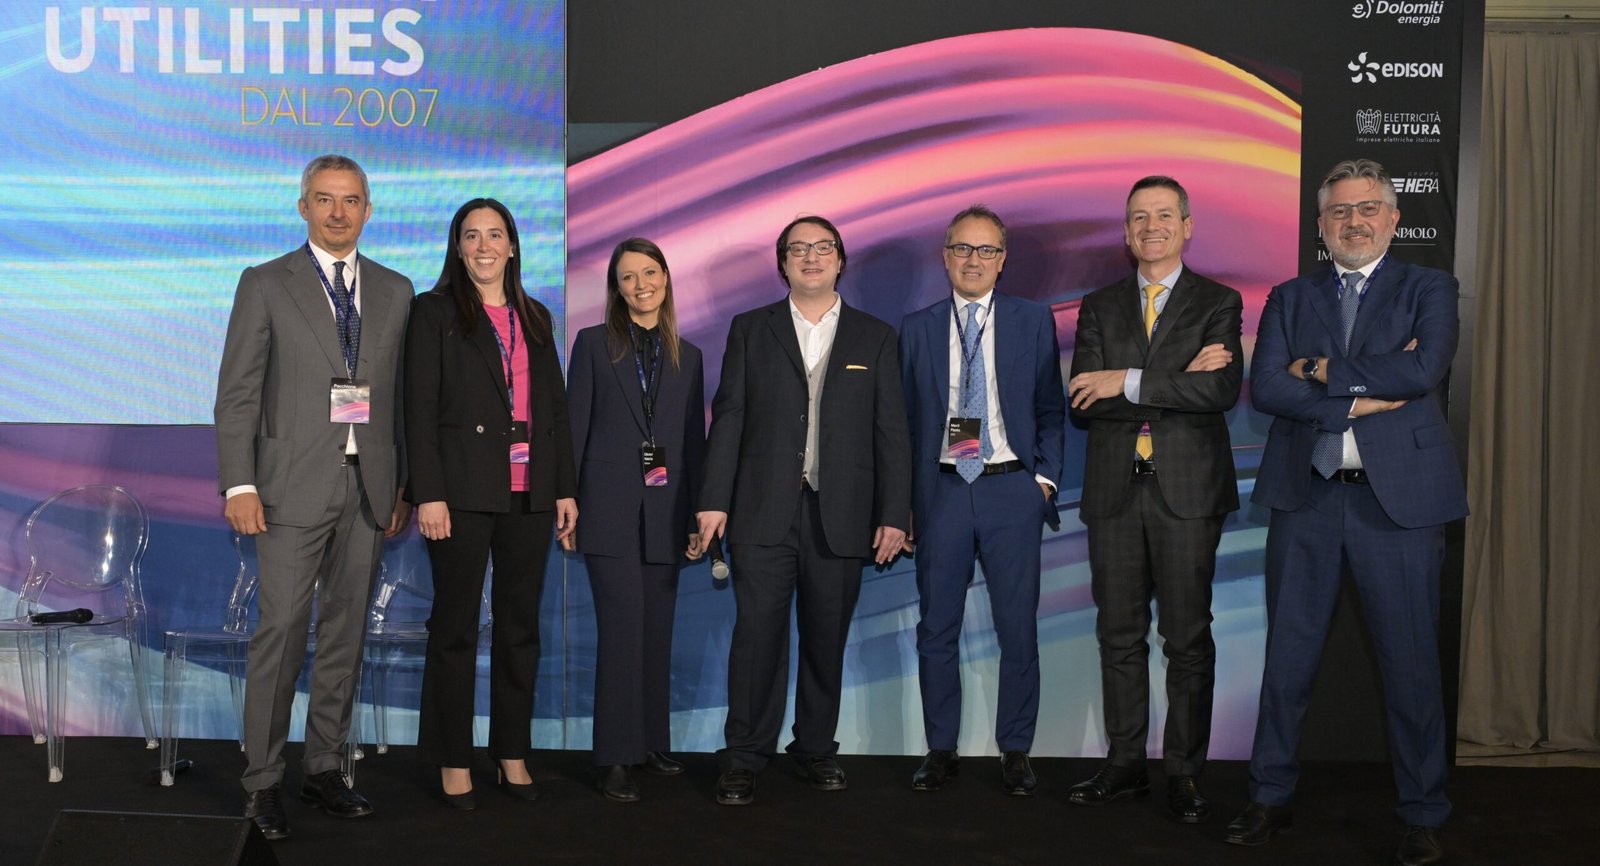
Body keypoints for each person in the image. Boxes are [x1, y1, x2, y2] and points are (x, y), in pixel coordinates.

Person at [1226, 159, 1465, 866]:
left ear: (1393, 218)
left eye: (1367, 209)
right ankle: (1270, 796)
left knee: (1411, 666)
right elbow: (1268, 387)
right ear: (1321, 224)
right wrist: (1361, 398)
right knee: (1287, 662)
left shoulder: (1431, 287)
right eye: (1339, 211)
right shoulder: (1291, 296)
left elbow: (1423, 371)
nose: (1353, 222)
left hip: (1400, 506)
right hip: (1309, 497)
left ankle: (1422, 812)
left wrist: (1322, 369)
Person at [215, 154, 413, 839]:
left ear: (368, 210)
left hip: (369, 491)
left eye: (351, 200)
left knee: (346, 635)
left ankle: (325, 767)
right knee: (280, 635)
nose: (338, 212)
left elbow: (400, 398)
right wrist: (240, 482)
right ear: (303, 207)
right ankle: (262, 782)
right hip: (288, 489)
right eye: (325, 199)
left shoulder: (397, 290)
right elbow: (238, 392)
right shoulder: (266, 282)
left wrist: (402, 486)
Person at [696, 215, 912, 806]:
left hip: (841, 515)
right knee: (756, 640)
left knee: (825, 638)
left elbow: (892, 431)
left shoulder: (875, 336)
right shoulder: (751, 328)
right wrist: (713, 500)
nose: (811, 257)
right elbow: (730, 416)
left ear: (840, 259)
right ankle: (744, 755)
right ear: (783, 263)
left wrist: (895, 513)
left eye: (822, 248)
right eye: (798, 249)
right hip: (761, 509)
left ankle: (816, 748)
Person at [1065, 176, 1243, 823]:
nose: (1151, 226)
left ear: (1187, 226)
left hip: (1188, 494)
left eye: (1164, 215)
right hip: (1115, 493)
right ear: (1126, 231)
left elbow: (1219, 391)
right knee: (1118, 634)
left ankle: (1185, 773)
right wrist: (1172, 381)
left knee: (1187, 638)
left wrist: (1127, 379)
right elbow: (1084, 400)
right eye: (1139, 216)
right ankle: (1125, 765)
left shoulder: (1218, 301)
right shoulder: (1099, 306)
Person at [404, 198, 578, 810]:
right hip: (461, 494)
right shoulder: (433, 312)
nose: (484, 246)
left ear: (512, 246)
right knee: (454, 628)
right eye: (472, 236)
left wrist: (564, 487)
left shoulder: (536, 316)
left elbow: (554, 408)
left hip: (530, 494)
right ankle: (454, 759)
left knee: (519, 629)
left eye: (495, 234)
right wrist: (428, 492)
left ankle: (511, 753)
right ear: (457, 248)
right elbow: (418, 408)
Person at [898, 205, 1065, 795]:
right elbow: (901, 424)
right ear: (945, 256)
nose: (974, 260)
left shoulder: (1032, 320)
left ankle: (1016, 750)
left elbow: (1051, 407)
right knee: (936, 628)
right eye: (963, 249)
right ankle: (940, 749)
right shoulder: (916, 327)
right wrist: (905, 504)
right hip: (942, 491)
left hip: (1010, 490)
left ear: (1002, 260)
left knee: (1017, 628)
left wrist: (1043, 481)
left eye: (986, 249)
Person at [567, 238, 707, 802]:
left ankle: (650, 742)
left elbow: (692, 443)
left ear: (666, 279)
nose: (641, 285)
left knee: (656, 631)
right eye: (628, 277)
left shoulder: (688, 355)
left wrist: (696, 515)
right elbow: (574, 428)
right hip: (607, 509)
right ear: (616, 287)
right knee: (622, 631)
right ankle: (614, 756)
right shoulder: (592, 344)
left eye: (649, 273)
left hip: (667, 511)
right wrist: (567, 501)